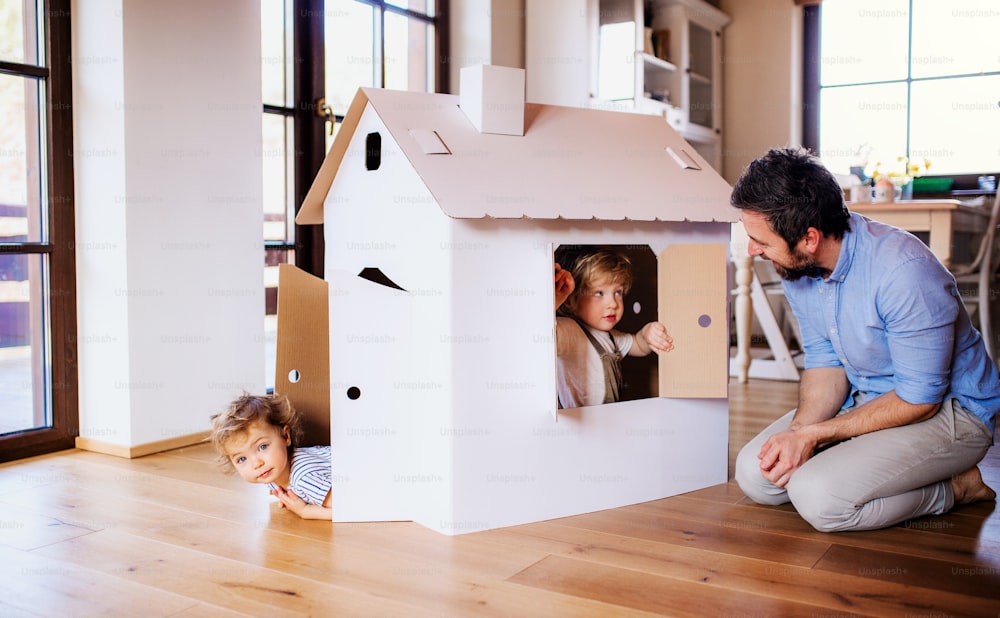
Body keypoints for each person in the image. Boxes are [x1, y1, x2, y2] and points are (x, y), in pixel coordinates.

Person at [732, 147, 998, 532]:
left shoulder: (905, 273)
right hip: (867, 396)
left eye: (761, 240)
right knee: (756, 474)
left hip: (949, 411)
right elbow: (825, 363)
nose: (753, 250)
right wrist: (797, 437)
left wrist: (817, 436)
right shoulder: (799, 268)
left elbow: (919, 399)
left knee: (819, 498)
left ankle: (957, 487)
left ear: (809, 238)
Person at [553, 248, 674, 408]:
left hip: (608, 418)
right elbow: (544, 333)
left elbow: (637, 344)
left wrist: (647, 335)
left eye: (618, 292)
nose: (613, 303)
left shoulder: (610, 337)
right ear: (571, 301)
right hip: (580, 424)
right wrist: (555, 299)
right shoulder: (569, 331)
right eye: (599, 293)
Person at [210, 392, 332, 520]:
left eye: (262, 447)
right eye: (242, 459)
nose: (256, 464)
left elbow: (350, 507)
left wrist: (305, 510)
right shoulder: (274, 472)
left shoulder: (304, 479)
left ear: (286, 436)